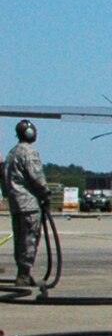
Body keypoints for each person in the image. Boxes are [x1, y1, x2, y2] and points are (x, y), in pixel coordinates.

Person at [4, 121, 51, 288]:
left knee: (19, 240)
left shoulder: (12, 153)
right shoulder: (29, 152)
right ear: (30, 133)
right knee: (29, 239)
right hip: (29, 204)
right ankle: (24, 274)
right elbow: (36, 176)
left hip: (15, 204)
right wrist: (45, 194)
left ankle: (22, 272)